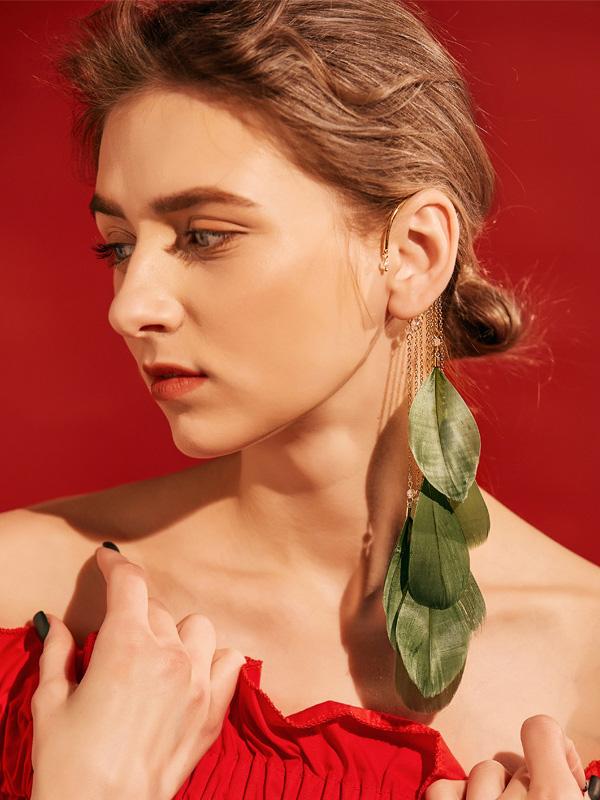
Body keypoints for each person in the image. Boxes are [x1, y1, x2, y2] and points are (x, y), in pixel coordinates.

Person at [0, 0, 598, 798]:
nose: (130, 306)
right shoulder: (24, 598)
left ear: (414, 254)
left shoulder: (587, 662)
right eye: (118, 246)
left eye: (204, 235)